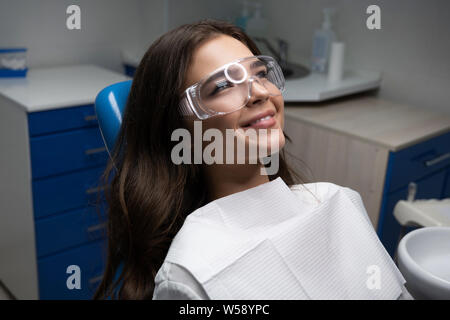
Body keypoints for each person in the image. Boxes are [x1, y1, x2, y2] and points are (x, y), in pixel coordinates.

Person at [93, 19, 413, 300]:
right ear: (176, 128)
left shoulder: (339, 201)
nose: (259, 92)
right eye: (222, 86)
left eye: (260, 74)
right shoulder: (192, 276)